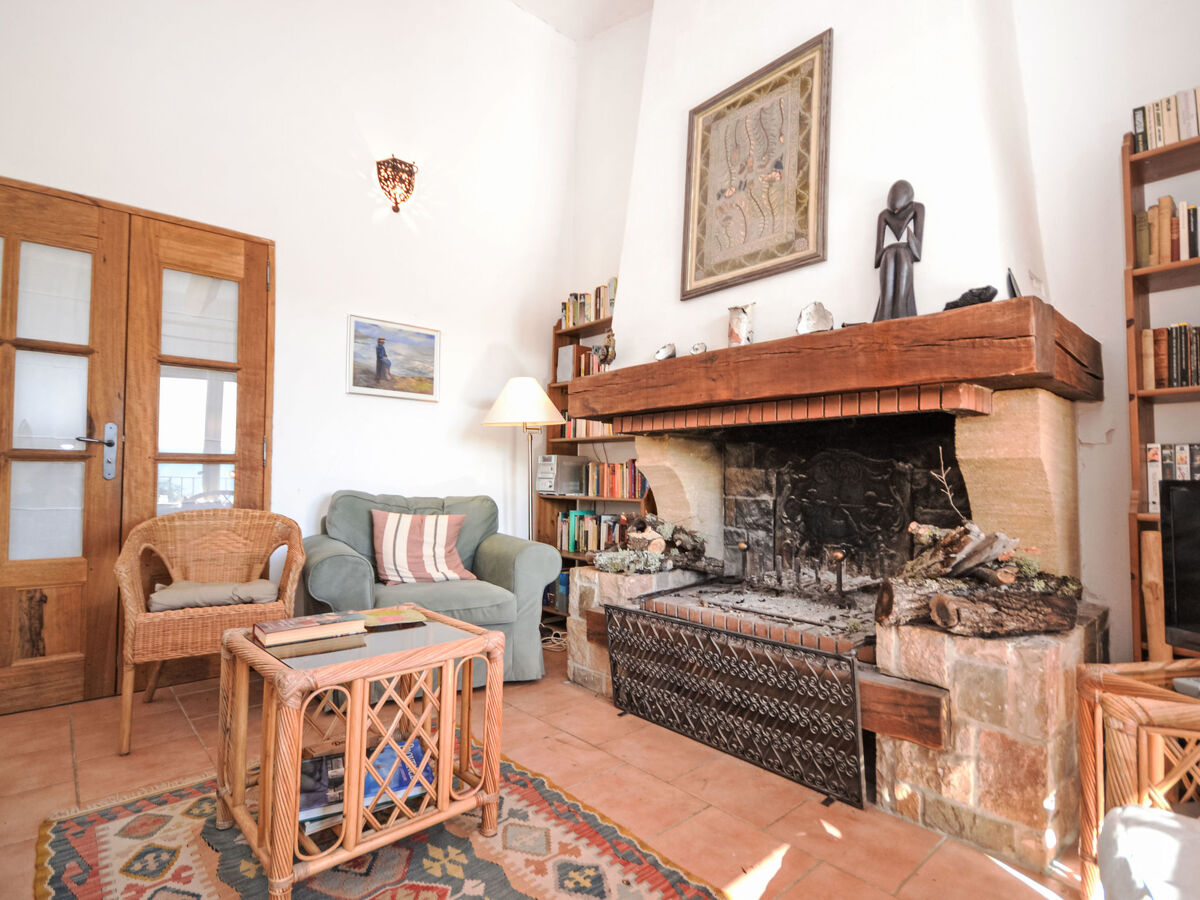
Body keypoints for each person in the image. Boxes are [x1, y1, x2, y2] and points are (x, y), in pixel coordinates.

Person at [872, 179, 925, 322]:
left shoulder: (918, 208)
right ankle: (885, 313)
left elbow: (917, 252)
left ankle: (901, 312)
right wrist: (888, 250)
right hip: (887, 256)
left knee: (902, 253)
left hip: (905, 254)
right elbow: (877, 258)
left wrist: (911, 240)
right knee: (889, 255)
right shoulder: (883, 216)